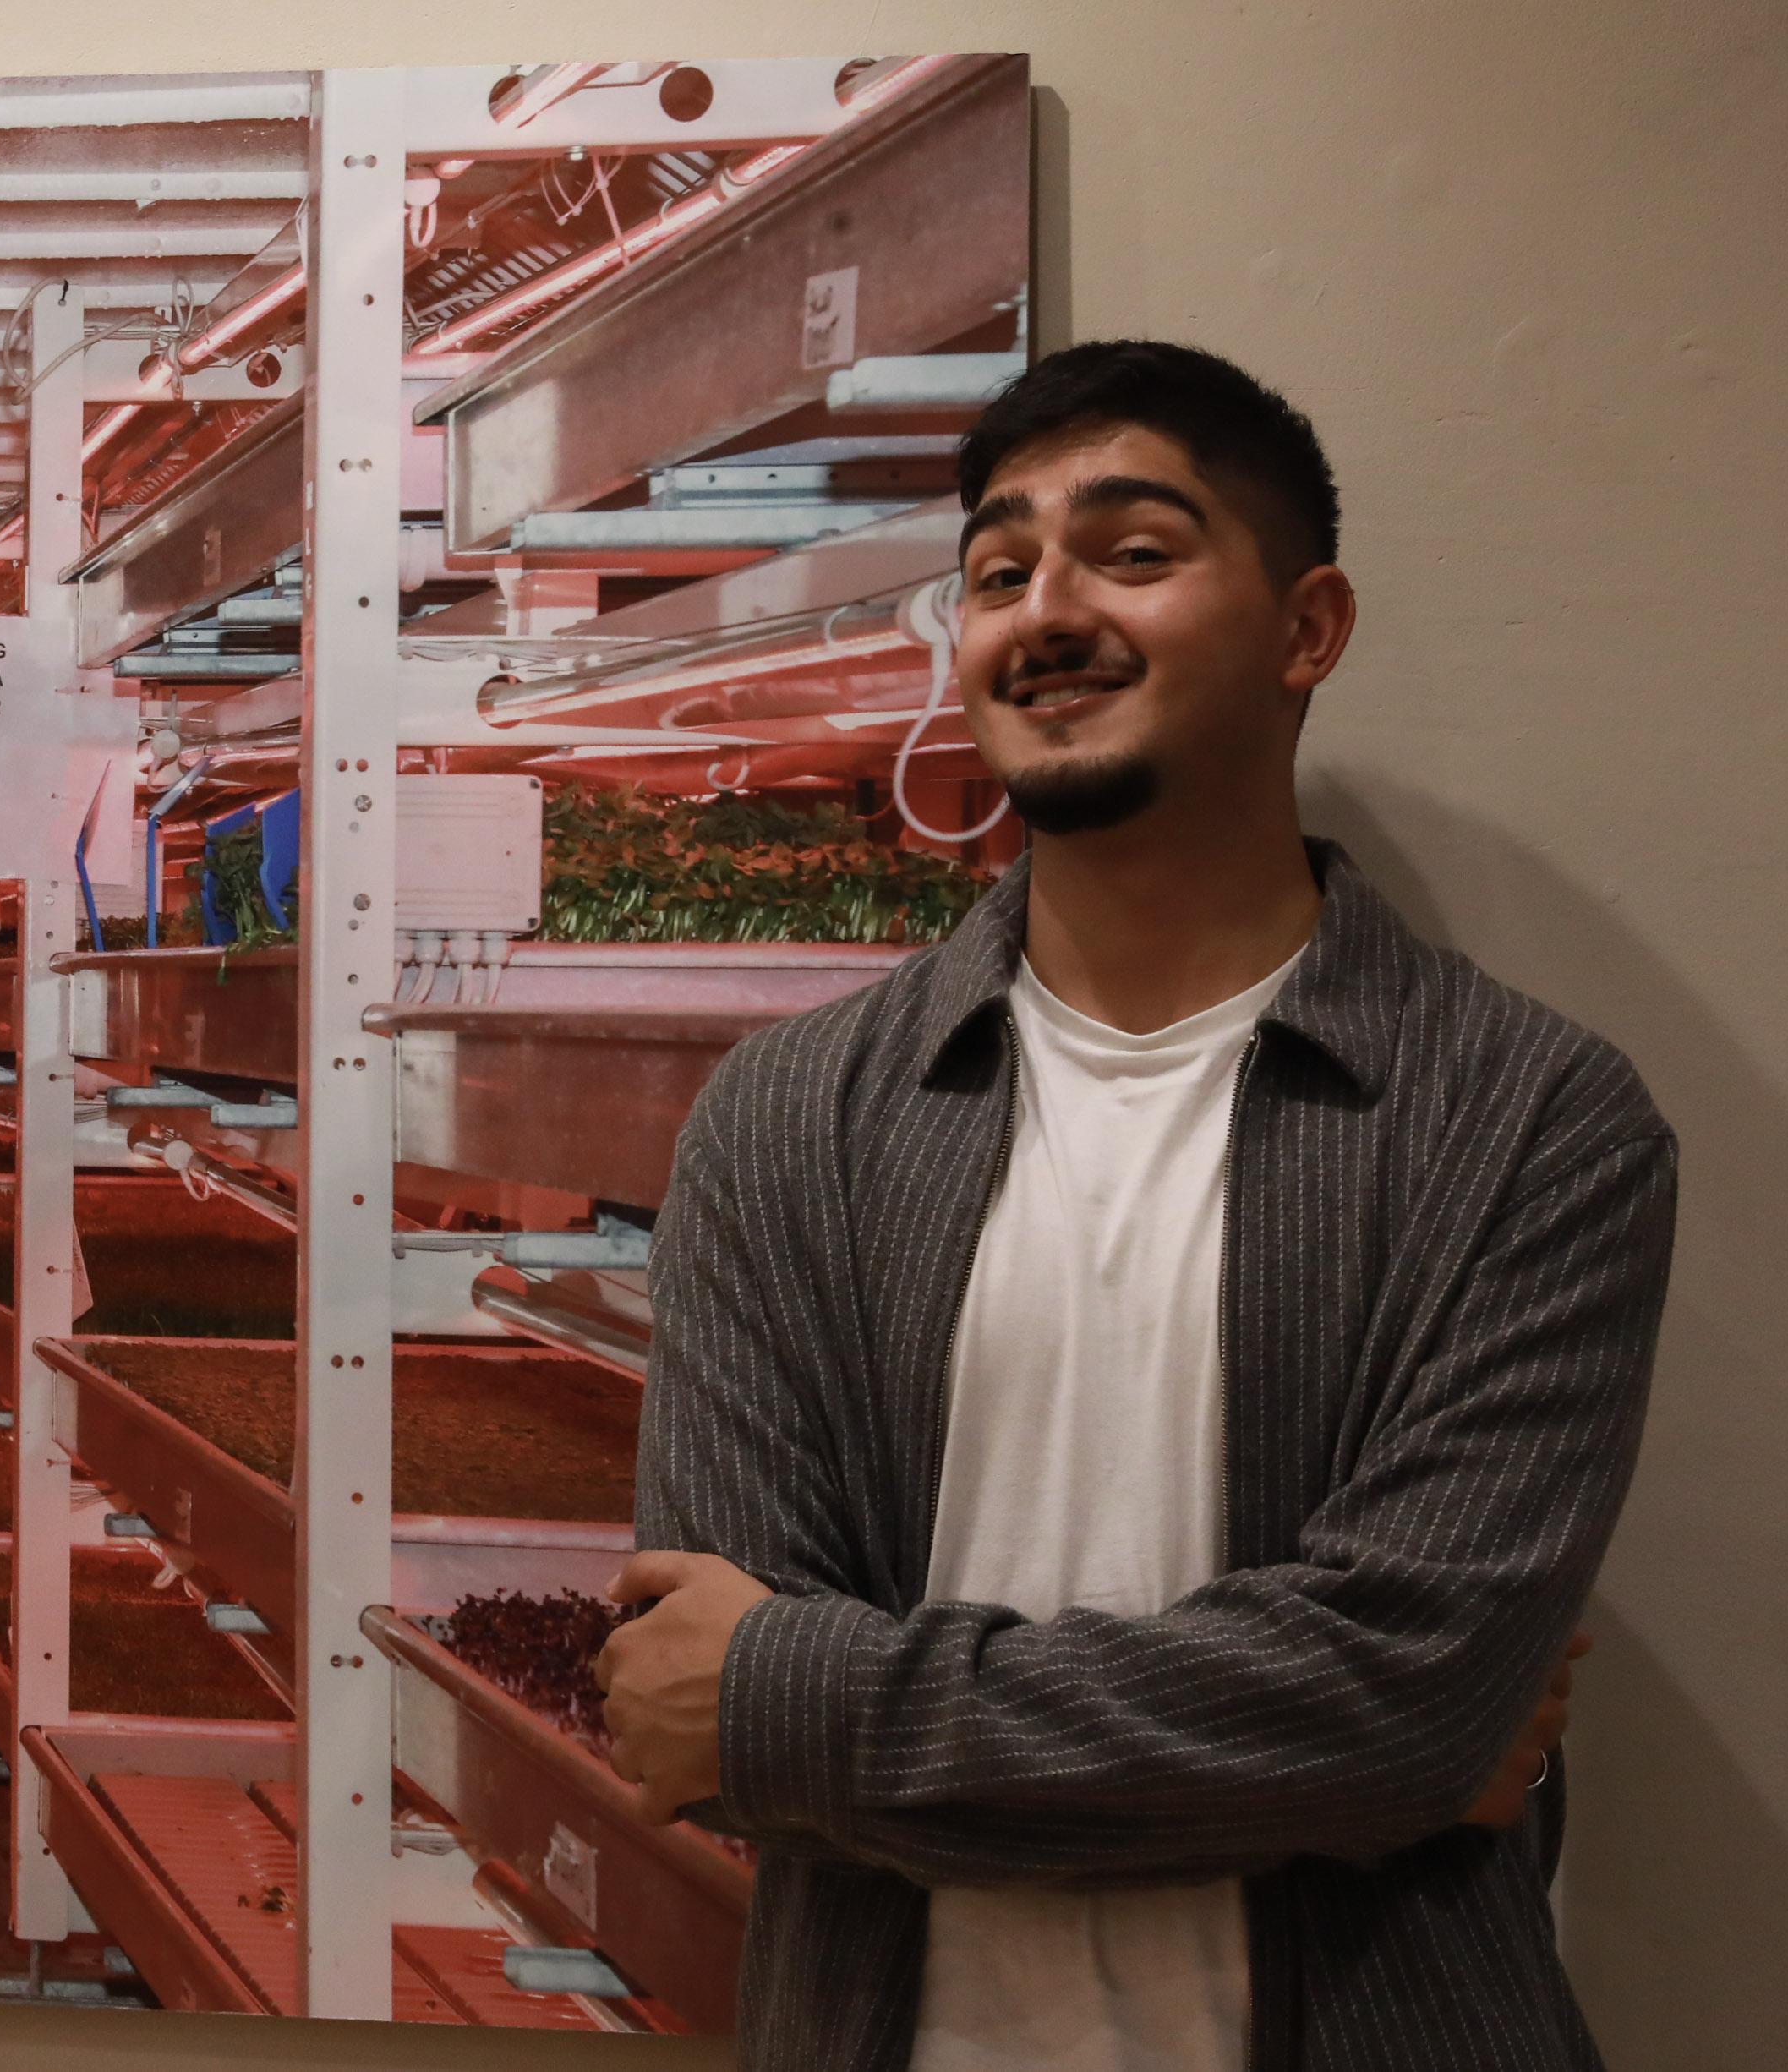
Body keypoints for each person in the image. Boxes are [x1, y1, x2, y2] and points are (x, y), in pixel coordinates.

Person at [595, 340, 1676, 2072]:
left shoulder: (1528, 1119)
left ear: (1308, 631)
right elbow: (695, 1710)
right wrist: (1330, 1751)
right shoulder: (789, 1120)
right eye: (999, 570)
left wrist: (804, 1697)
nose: (1048, 611)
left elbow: (1407, 1698)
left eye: (1135, 552)